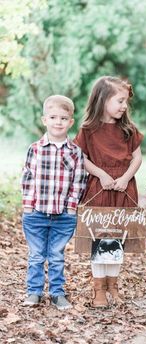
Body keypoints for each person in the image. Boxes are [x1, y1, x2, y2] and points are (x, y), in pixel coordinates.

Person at [74, 76, 143, 308]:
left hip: (123, 188)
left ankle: (113, 286)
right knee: (99, 239)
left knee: (116, 239)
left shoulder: (128, 129)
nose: (124, 106)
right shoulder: (88, 130)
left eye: (126, 102)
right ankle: (98, 290)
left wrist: (125, 177)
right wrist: (102, 174)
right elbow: (82, 158)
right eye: (120, 101)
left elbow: (137, 157)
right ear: (103, 100)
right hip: (99, 187)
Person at [21, 95, 87, 310]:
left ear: (70, 122)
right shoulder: (36, 148)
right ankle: (34, 292)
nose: (58, 122)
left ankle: (57, 293)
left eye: (63, 118)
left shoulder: (75, 152)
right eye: (53, 117)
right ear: (44, 120)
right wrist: (28, 205)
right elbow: (28, 177)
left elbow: (78, 181)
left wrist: (71, 207)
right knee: (37, 255)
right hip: (36, 213)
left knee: (57, 256)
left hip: (63, 215)